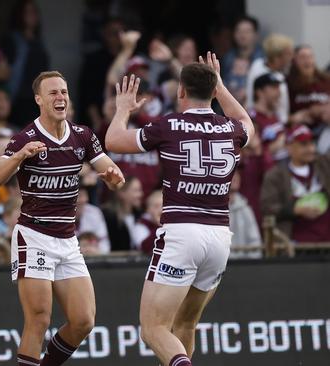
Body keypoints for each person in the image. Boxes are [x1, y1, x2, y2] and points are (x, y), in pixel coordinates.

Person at [105, 53, 254, 366]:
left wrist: (122, 110)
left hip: (182, 233)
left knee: (153, 328)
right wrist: (221, 88)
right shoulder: (231, 129)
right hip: (219, 237)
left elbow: (114, 141)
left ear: (180, 91)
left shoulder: (169, 125)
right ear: (213, 90)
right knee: (185, 323)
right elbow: (247, 123)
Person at [0, 70, 125, 366]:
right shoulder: (26, 137)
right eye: (53, 93)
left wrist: (114, 176)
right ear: (38, 99)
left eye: (63, 92)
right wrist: (19, 156)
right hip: (34, 235)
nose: (60, 97)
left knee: (84, 321)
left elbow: (113, 173)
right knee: (39, 319)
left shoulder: (82, 136)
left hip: (67, 239)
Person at [260, 125, 330, 243]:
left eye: (312, 143)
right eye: (304, 145)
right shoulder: (275, 175)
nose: (311, 149)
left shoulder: (324, 166)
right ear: (289, 147)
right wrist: (294, 210)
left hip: (326, 244)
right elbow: (267, 209)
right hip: (293, 247)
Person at [0, 0, 49, 127]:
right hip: (18, 97)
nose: (32, 15)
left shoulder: (39, 41)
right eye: (28, 12)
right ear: (20, 15)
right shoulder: (12, 39)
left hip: (36, 97)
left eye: (34, 11)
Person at [245, 34, 294, 122]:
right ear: (277, 57)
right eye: (288, 54)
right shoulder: (259, 70)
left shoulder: (259, 64)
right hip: (263, 124)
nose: (291, 58)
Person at [221, 15, 264, 105]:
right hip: (229, 106)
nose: (242, 35)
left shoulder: (263, 58)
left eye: (247, 31)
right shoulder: (227, 57)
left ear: (256, 34)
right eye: (239, 31)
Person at [287, 45, 330, 131]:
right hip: (298, 131)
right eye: (302, 57)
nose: (307, 61)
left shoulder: (326, 80)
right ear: (294, 61)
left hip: (325, 128)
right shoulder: (287, 84)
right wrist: (293, 118)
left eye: (310, 57)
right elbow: (277, 117)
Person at [75, 186, 110, 253]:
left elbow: (105, 245)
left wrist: (95, 251)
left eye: (85, 195)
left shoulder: (94, 212)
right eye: (79, 195)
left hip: (93, 260)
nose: (83, 199)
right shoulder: (58, 215)